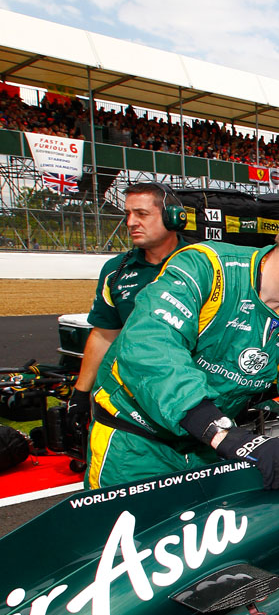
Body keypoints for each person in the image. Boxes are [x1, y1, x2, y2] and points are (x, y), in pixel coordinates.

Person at [86, 206, 279, 490]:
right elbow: (150, 346)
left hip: (208, 449)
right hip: (136, 442)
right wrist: (218, 430)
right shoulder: (207, 268)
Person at [68, 183, 183, 434]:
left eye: (141, 214)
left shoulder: (205, 262)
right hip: (130, 401)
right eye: (128, 214)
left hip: (189, 398)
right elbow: (104, 334)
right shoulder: (115, 270)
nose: (131, 222)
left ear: (172, 218)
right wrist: (80, 393)